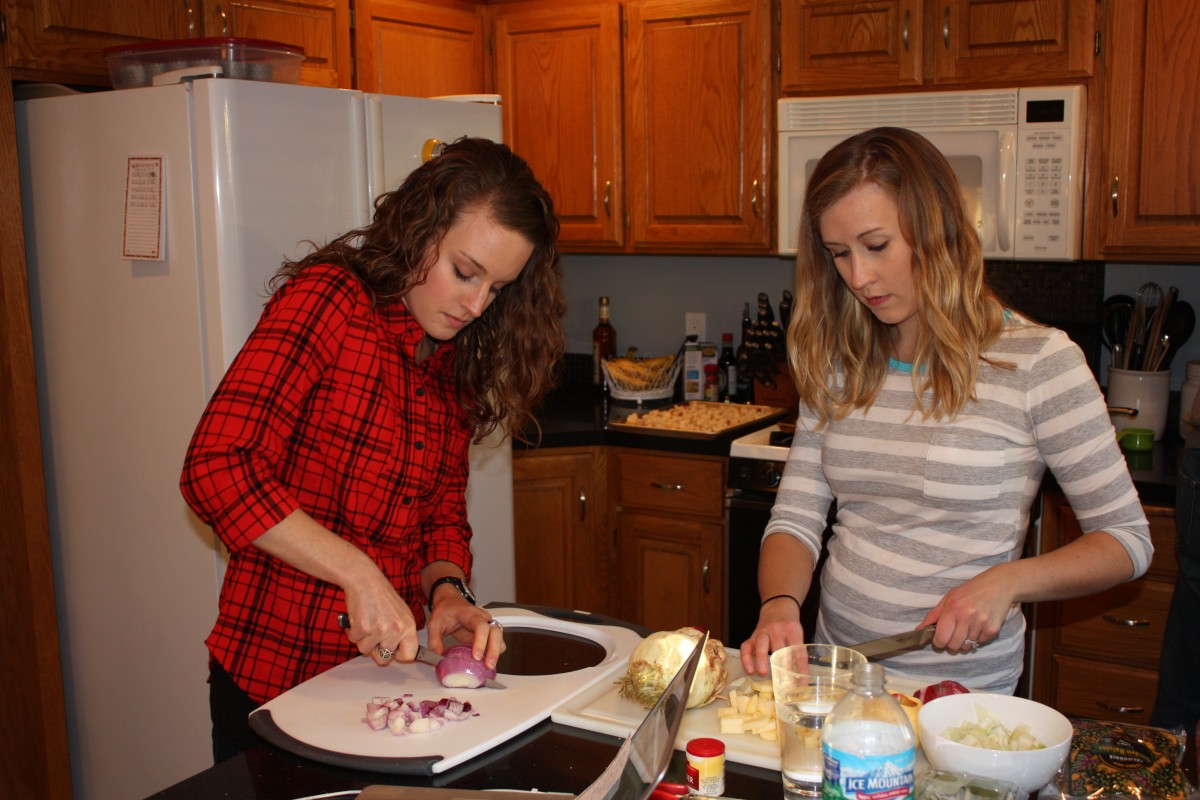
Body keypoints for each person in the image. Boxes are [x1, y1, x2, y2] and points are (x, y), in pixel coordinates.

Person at [180, 137, 566, 762]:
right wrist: (359, 572)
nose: (475, 305)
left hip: (384, 687)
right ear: (418, 230)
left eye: (497, 289)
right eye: (465, 272)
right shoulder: (330, 302)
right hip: (274, 686)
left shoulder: (451, 358)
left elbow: (441, 516)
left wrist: (448, 596)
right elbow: (217, 465)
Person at [739, 127, 1153, 694]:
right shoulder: (839, 361)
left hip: (959, 699)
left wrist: (1007, 582)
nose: (858, 277)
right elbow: (797, 517)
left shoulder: (1037, 362)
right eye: (839, 254)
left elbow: (1126, 539)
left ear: (934, 231)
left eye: (876, 245)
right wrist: (779, 603)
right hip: (836, 678)